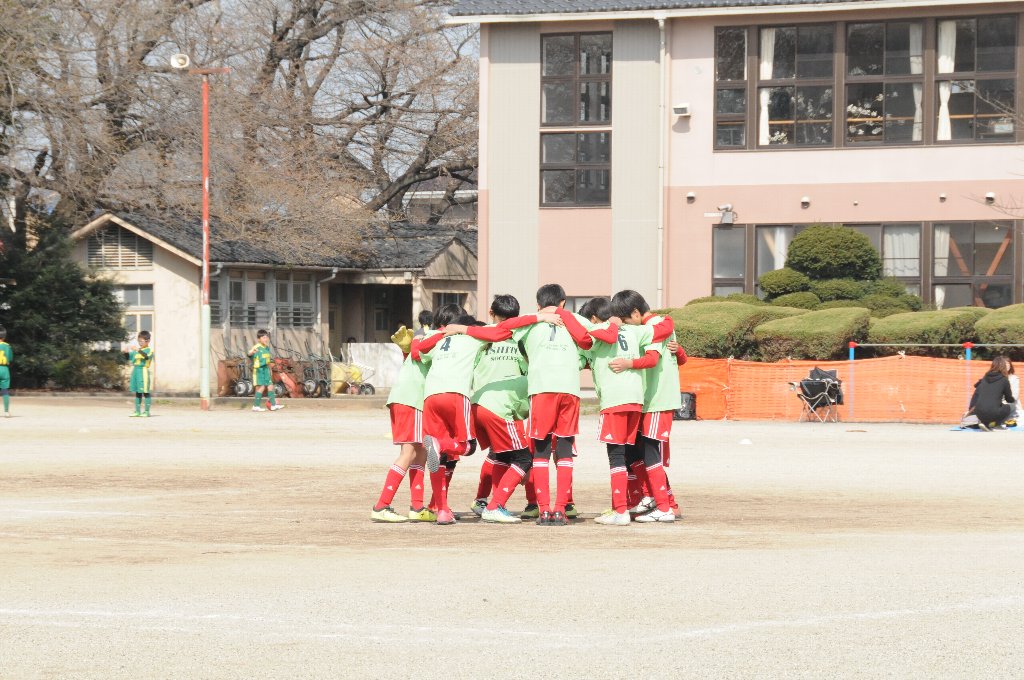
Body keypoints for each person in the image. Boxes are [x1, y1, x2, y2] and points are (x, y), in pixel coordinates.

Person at [418, 304, 560, 525]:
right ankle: (492, 502)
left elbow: (419, 351)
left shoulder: (439, 339)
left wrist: (439, 334)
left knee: (447, 458)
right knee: (468, 446)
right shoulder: (472, 336)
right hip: (458, 395)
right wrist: (539, 317)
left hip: (430, 397)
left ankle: (441, 509)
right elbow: (502, 329)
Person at [578, 297, 659, 526]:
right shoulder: (634, 331)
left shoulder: (596, 332)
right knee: (631, 453)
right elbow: (658, 331)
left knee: (616, 456)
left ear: (594, 318)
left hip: (614, 400)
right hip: (636, 399)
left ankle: (620, 510)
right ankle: (645, 497)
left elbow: (583, 347)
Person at [610, 290, 685, 522]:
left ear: (635, 313)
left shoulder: (655, 327)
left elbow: (653, 360)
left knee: (651, 452)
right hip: (648, 399)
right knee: (640, 451)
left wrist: (628, 363)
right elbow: (680, 358)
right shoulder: (660, 324)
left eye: (625, 320)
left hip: (658, 398)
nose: (624, 325)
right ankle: (653, 498)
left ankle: (666, 506)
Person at [371, 323, 437, 523]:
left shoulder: (424, 337)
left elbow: (415, 358)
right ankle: (381, 505)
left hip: (408, 399)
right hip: (412, 400)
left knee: (420, 452)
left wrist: (406, 349)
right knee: (408, 453)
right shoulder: (437, 339)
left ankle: (417, 507)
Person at [969, 356, 1015, 431]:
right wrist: (1012, 400)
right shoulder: (1004, 380)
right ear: (1003, 367)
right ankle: (996, 425)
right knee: (1012, 406)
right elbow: (1009, 399)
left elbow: (977, 389)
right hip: (993, 411)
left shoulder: (984, 378)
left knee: (991, 409)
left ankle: (986, 424)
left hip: (978, 412)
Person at [248, 330, 285, 413]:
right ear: (259, 339)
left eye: (266, 337)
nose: (265, 339)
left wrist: (270, 369)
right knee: (261, 387)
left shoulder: (267, 348)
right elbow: (249, 354)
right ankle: (256, 406)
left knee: (270, 385)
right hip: (259, 370)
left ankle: (273, 405)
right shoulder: (257, 347)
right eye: (263, 337)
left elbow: (268, 361)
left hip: (266, 369)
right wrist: (251, 353)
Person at [128, 330, 155, 417]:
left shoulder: (149, 350)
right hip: (136, 371)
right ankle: (137, 411)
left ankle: (147, 411)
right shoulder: (137, 351)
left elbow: (146, 356)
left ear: (148, 341)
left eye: (142, 341)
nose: (140, 343)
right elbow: (129, 357)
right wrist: (125, 352)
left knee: (145, 391)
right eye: (139, 341)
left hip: (143, 371)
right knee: (138, 392)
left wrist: (138, 350)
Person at [0, 325, 11, 418]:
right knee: (5, 391)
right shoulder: (7, 346)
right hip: (4, 369)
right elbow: (10, 359)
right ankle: (6, 412)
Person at [1007, 361, 1022, 426]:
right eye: (1004, 364)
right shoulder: (995, 378)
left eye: (1008, 364)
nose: (1006, 366)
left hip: (1012, 408)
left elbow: (1014, 396)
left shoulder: (1014, 378)